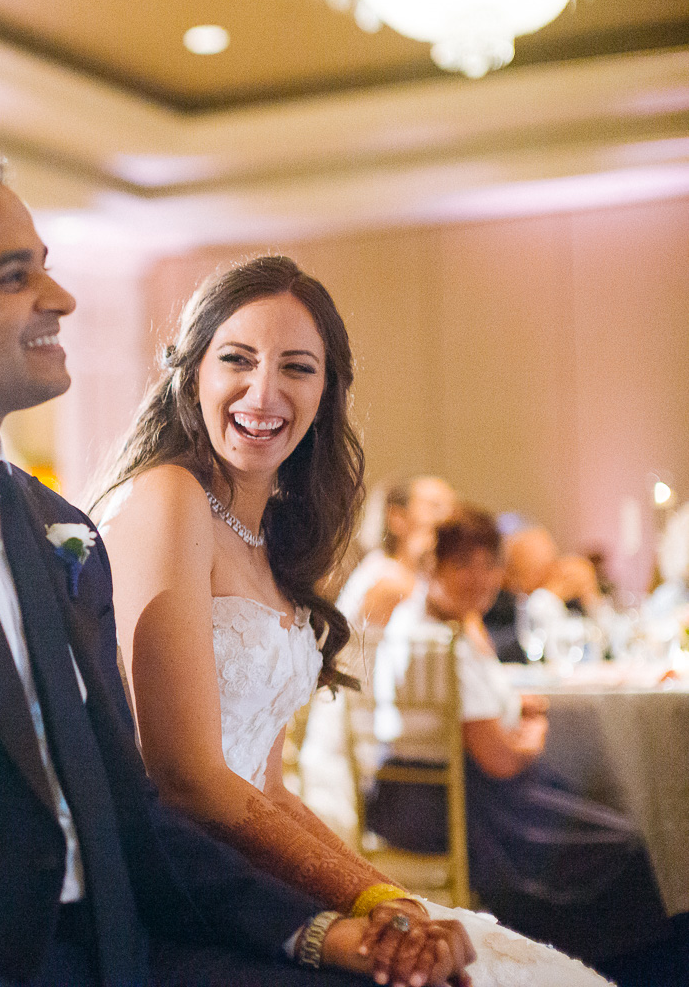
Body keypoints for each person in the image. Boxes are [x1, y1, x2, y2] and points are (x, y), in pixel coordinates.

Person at [0, 146, 471, 987]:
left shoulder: (54, 529)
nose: (60, 299)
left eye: (48, 271)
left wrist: (320, 933)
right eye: (12, 277)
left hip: (121, 953)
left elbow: (130, 817)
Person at [95, 256, 605, 986]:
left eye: (297, 368)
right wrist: (372, 902)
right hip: (181, 890)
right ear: (191, 372)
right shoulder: (169, 496)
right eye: (236, 359)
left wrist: (398, 906)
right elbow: (190, 778)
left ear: (327, 391)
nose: (263, 392)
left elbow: (265, 789)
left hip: (249, 868)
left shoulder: (268, 538)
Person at [369, 508, 683, 982]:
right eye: (463, 566)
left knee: (607, 823)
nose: (480, 579)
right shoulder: (439, 642)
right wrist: (533, 732)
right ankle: (622, 971)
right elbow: (499, 760)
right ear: (434, 568)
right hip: (465, 807)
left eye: (489, 566)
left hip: (414, 795)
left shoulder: (425, 622)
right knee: (628, 846)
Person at [337, 477, 456, 629]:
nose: (447, 517)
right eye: (435, 506)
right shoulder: (387, 577)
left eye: (452, 507)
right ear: (397, 518)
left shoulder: (427, 581)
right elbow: (364, 647)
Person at [481, 525, 556, 664]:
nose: (548, 573)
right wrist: (541, 601)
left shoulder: (560, 596)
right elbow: (499, 649)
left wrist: (590, 597)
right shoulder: (496, 602)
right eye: (536, 568)